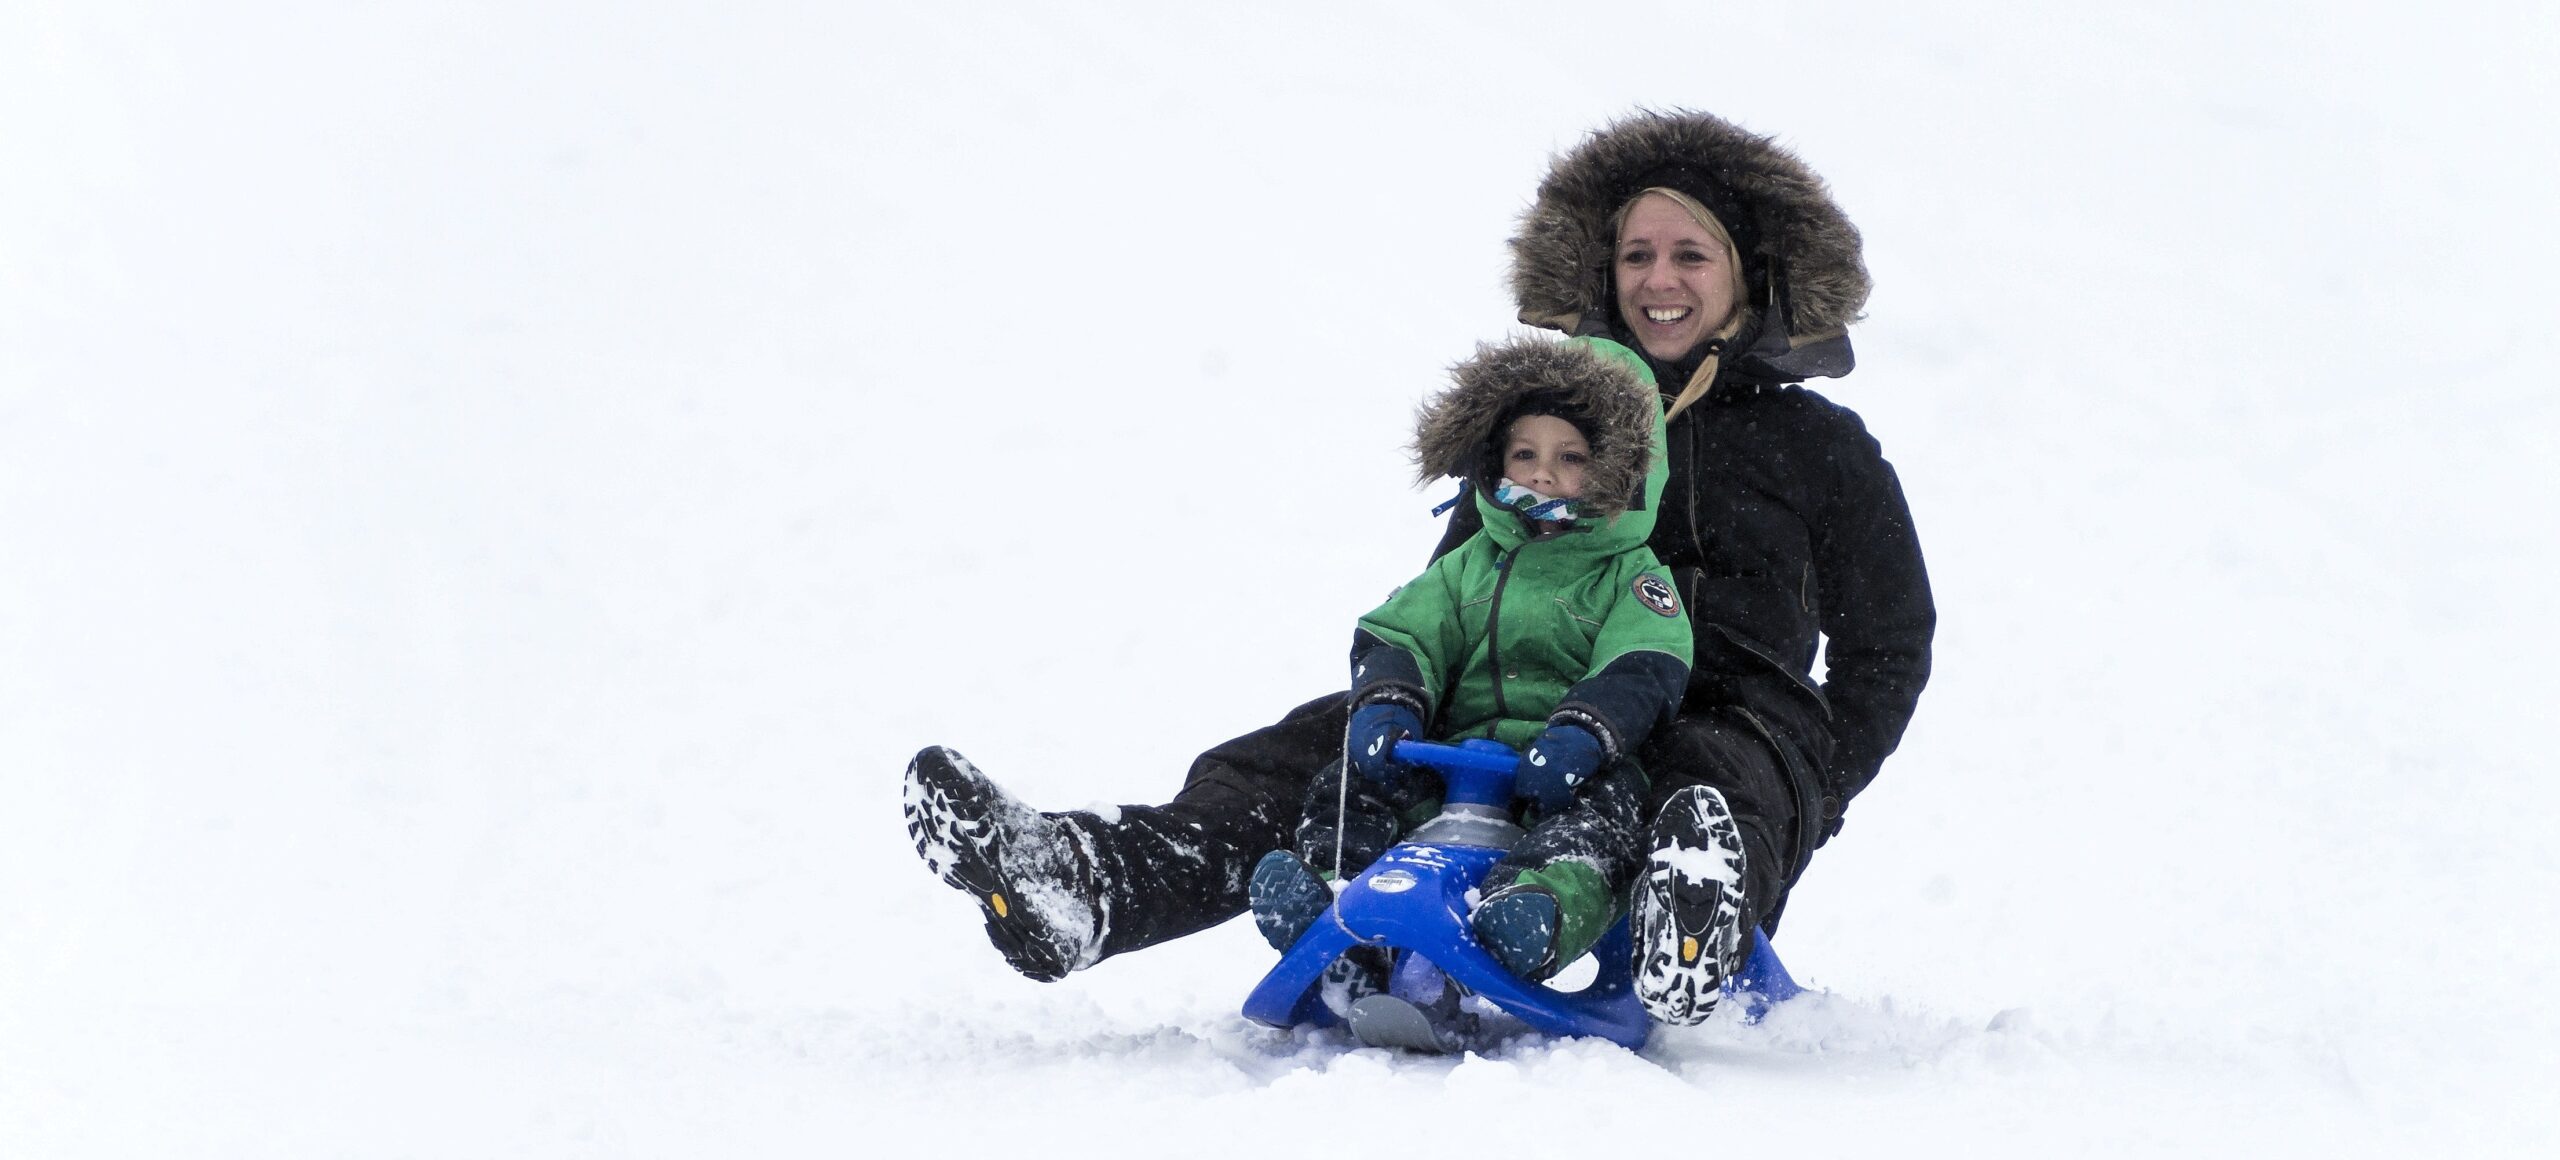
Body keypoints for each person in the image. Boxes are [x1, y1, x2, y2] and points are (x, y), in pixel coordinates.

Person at [903, 108, 1933, 1026]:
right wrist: (1395, 699)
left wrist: (1815, 782)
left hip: (1724, 715)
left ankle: (1690, 911)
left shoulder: (1819, 445)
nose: (1658, 281)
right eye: (1636, 255)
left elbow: (1888, 645)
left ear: (1746, 273)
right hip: (1534, 705)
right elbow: (1465, 584)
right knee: (1314, 745)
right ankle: (1094, 881)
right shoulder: (1544, 418)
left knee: (1712, 776)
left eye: (1690, 256)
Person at [1246, 334, 1691, 990]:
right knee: (1352, 785)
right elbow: (1404, 630)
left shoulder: (1629, 577)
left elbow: (1644, 660)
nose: (1542, 474)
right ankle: (1335, 904)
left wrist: (1583, 734)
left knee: (1603, 830)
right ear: (1494, 462)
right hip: (1453, 762)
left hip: (1566, 772)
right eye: (1524, 454)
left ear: (1618, 469)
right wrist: (1389, 701)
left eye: (1570, 457)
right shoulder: (1472, 563)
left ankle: (1538, 914)